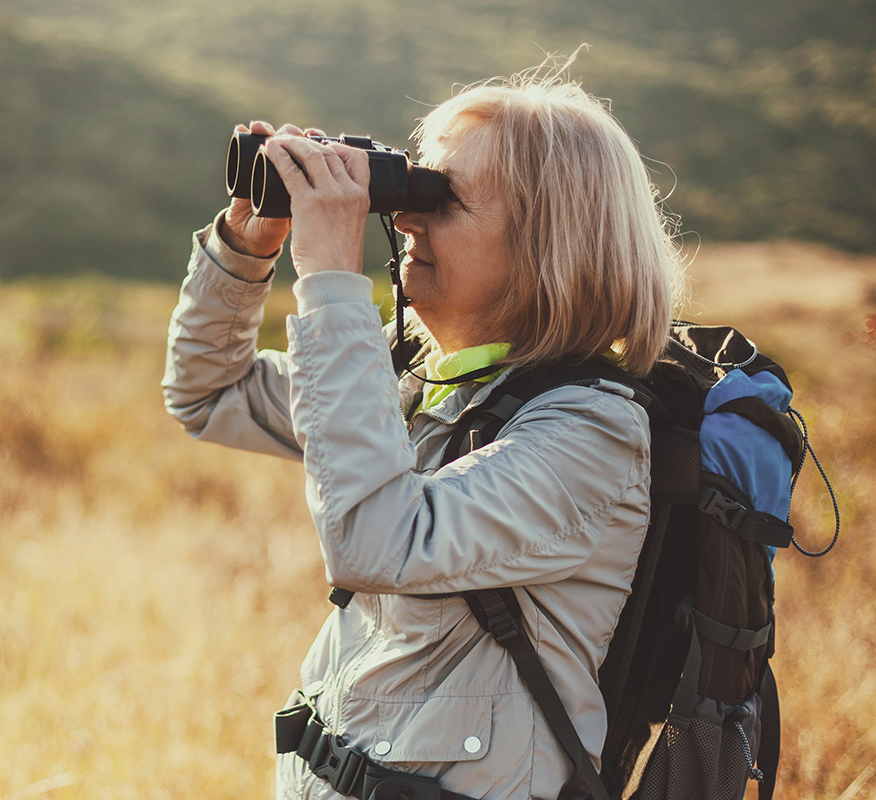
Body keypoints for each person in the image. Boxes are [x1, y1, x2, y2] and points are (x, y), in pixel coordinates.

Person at [163, 69, 683, 800]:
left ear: (549, 243)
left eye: (445, 198)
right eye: (416, 187)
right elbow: (209, 394)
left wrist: (331, 280)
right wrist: (247, 249)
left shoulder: (591, 435)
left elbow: (376, 541)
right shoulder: (425, 376)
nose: (407, 218)